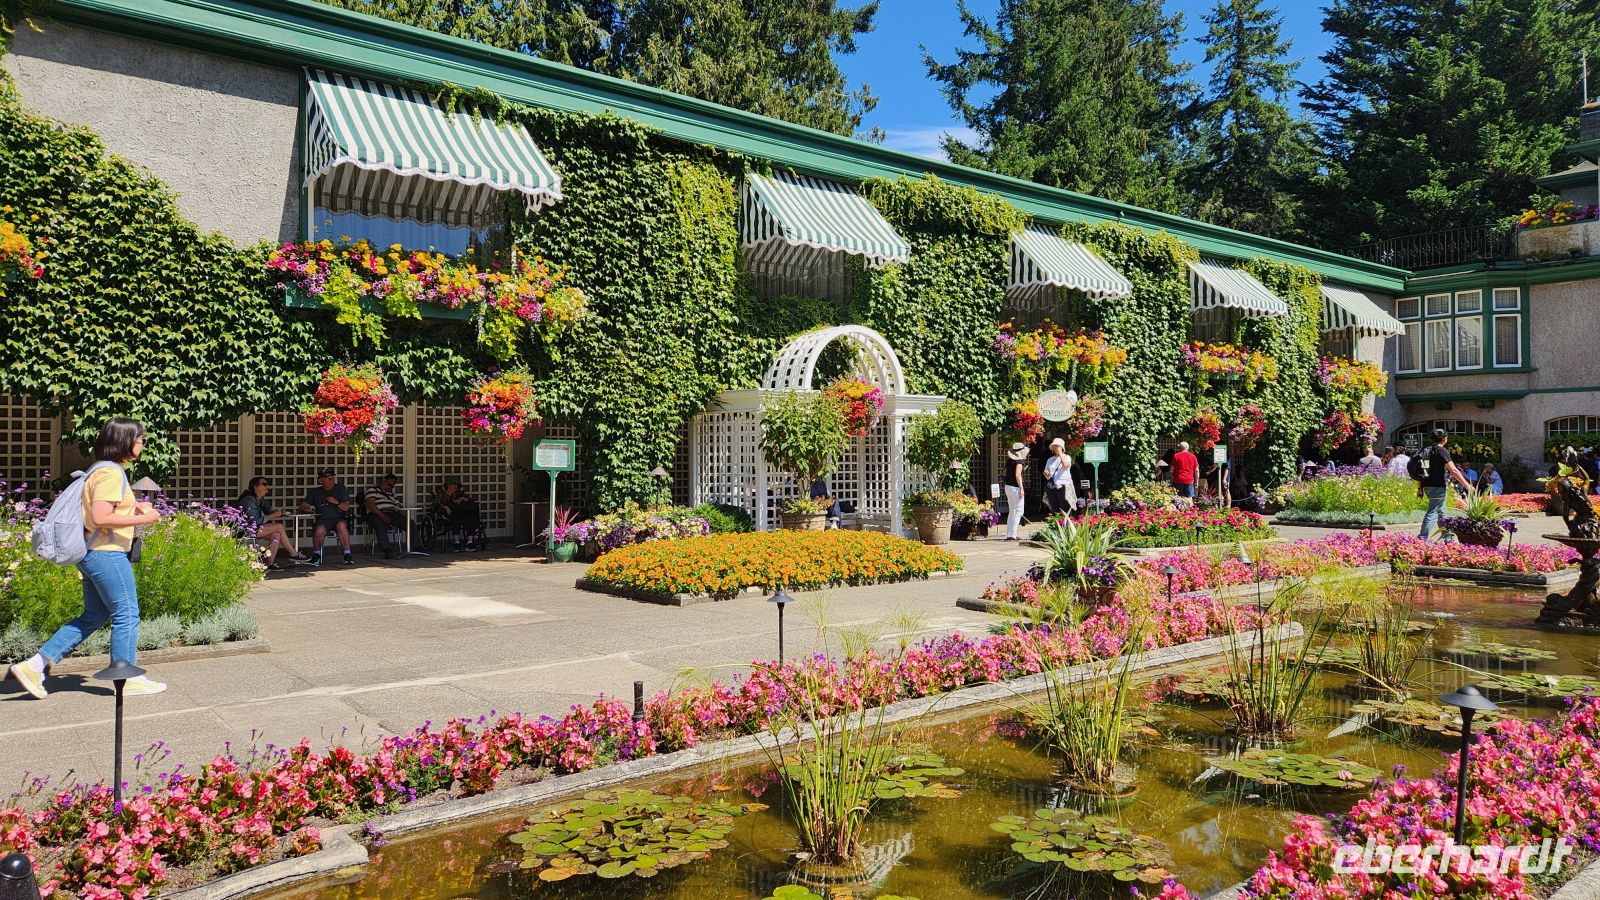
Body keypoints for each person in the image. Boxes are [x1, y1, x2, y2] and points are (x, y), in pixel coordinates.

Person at [8, 418, 167, 699]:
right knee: (127, 613)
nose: (143, 443)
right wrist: (147, 518)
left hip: (93, 553)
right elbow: (100, 518)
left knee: (95, 614)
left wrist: (133, 507)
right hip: (107, 553)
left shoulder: (99, 470)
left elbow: (100, 512)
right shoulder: (111, 474)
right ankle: (127, 677)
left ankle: (34, 666)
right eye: (140, 438)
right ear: (126, 441)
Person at [237, 476, 307, 569]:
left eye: (267, 484)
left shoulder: (259, 498)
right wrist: (274, 515)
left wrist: (281, 512)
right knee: (279, 527)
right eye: (264, 484)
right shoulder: (249, 500)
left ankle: (269, 564)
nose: (267, 486)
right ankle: (293, 553)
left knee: (276, 535)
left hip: (254, 528)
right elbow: (255, 521)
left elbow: (269, 511)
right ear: (255, 487)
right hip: (244, 530)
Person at [1417, 429, 1473, 540]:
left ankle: (1448, 538)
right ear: (1445, 438)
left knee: (1441, 512)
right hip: (1437, 485)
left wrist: (1419, 488)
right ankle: (1422, 538)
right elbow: (1454, 470)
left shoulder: (1426, 450)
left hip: (1426, 485)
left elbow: (1421, 470)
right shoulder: (1442, 451)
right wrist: (1467, 485)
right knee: (1433, 512)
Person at [298, 468, 354, 566]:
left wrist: (336, 502)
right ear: (321, 481)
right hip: (323, 520)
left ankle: (347, 555)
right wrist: (307, 509)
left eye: (332, 478)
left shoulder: (340, 488)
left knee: (341, 526)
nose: (332, 480)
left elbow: (346, 507)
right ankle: (316, 555)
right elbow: (302, 506)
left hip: (339, 518)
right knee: (319, 530)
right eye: (328, 478)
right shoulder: (315, 491)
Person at [364, 472, 409, 558]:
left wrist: (403, 512)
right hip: (377, 513)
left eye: (392, 486)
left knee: (409, 523)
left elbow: (398, 506)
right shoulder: (372, 490)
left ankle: (417, 547)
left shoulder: (391, 494)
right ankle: (388, 550)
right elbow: (371, 505)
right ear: (383, 480)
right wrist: (382, 515)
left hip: (392, 513)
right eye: (389, 485)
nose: (390, 488)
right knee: (380, 524)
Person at [434, 477, 484, 551]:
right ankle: (457, 542)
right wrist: (446, 507)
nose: (455, 486)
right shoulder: (442, 493)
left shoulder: (460, 493)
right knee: (455, 519)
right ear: (448, 485)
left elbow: (471, 500)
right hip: (449, 513)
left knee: (470, 518)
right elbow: (437, 503)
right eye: (454, 484)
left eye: (457, 485)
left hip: (461, 512)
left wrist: (463, 499)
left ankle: (470, 542)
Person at [1043, 438, 1077, 519]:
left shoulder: (1067, 457)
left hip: (1064, 485)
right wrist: (1045, 473)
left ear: (1062, 447)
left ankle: (1067, 523)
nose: (1055, 448)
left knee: (1065, 506)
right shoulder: (1050, 460)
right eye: (1054, 446)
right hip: (1052, 486)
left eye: (1057, 446)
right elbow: (1046, 473)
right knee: (1054, 507)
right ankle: (1057, 523)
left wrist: (1061, 454)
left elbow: (1065, 465)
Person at [1003, 442, 1028, 541]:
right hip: (1015, 487)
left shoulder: (1009, 460)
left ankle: (1010, 534)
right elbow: (1018, 475)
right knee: (1019, 511)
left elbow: (1005, 472)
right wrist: (1022, 488)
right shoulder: (1019, 461)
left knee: (1012, 510)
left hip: (1008, 486)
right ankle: (1013, 534)